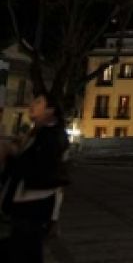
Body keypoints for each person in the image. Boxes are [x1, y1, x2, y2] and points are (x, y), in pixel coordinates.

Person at [0, 91, 70, 263]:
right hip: (27, 205)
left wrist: (14, 153)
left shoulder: (51, 136)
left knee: (24, 252)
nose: (32, 104)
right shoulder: (37, 133)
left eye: (38, 102)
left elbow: (41, 168)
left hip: (34, 206)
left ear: (50, 110)